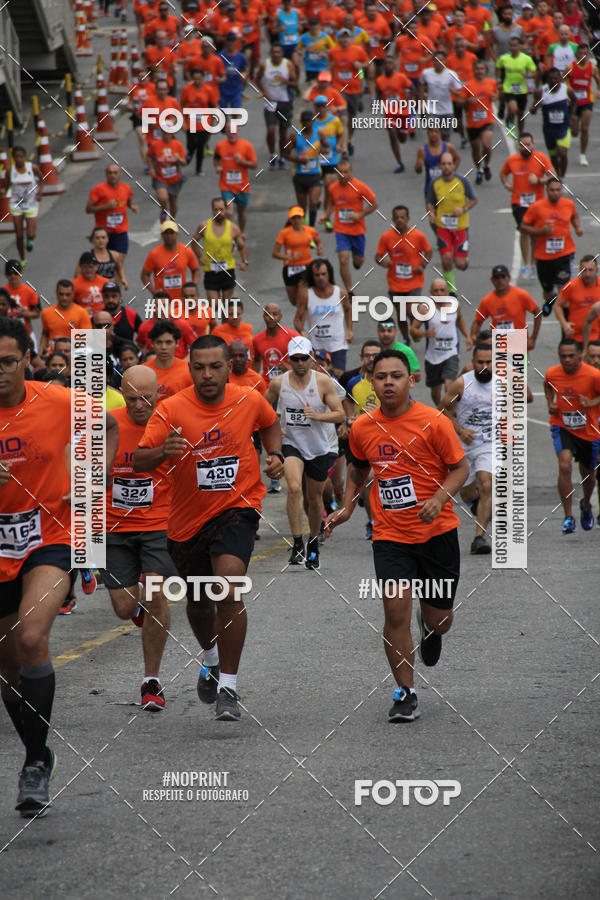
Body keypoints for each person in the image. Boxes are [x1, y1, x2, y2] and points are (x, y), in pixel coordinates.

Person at [0, 318, 118, 816]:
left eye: (8, 361)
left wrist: (95, 478)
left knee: (31, 637)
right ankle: (39, 750)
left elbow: (107, 425)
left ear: (27, 359)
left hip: (49, 537)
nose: (0, 371)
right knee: (9, 670)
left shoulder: (56, 401)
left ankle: (32, 764)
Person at [134, 334, 284, 722]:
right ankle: (211, 659)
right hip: (186, 522)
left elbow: (270, 424)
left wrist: (275, 454)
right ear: (190, 369)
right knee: (200, 602)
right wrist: (162, 451)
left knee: (228, 586)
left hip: (238, 507)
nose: (207, 375)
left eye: (215, 366)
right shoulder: (171, 408)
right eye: (199, 367)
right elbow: (138, 459)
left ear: (228, 367)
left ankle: (228, 687)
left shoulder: (248, 398)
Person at [324, 348, 468, 722]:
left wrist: (438, 498)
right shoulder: (363, 427)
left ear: (411, 380)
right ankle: (405, 692)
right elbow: (358, 470)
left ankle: (431, 628)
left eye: (396, 376)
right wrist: (347, 508)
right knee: (394, 609)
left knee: (441, 620)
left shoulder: (434, 422)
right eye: (381, 376)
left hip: (437, 533)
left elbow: (460, 468)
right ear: (371, 382)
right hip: (390, 535)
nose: (388, 382)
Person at [101, 365, 175, 709]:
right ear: (122, 394)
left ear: (159, 394)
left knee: (156, 594)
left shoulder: (170, 425)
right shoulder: (107, 424)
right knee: (125, 608)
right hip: (113, 528)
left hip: (159, 525)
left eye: (146, 398)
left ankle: (151, 682)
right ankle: (143, 610)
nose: (139, 405)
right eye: (131, 398)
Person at [265, 336, 345, 570]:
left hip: (318, 447)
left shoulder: (323, 382)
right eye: (295, 359)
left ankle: (313, 543)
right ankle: (298, 543)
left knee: (314, 498)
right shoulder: (279, 383)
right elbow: (262, 408)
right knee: (294, 488)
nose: (299, 363)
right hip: (291, 444)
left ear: (311, 358)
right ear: (289, 360)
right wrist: (274, 426)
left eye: (303, 358)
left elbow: (340, 414)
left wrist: (318, 416)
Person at [440, 340, 494, 554]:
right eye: (480, 362)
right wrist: (461, 430)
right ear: (473, 362)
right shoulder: (462, 384)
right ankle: (479, 505)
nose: (484, 366)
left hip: (489, 444)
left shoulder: (502, 382)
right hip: (464, 445)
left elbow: (524, 398)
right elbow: (443, 411)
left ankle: (479, 538)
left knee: (486, 485)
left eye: (489, 362)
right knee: (467, 494)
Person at [544, 339, 600, 533]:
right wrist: (550, 403)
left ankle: (585, 504)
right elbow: (548, 386)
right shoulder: (552, 373)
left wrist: (592, 402)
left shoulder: (593, 375)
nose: (567, 360)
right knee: (565, 465)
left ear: (580, 355)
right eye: (563, 356)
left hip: (588, 431)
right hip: (562, 426)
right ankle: (568, 517)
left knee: (589, 474)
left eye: (570, 356)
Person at [520, 178, 582, 316]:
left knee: (564, 290)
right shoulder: (536, 207)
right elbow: (523, 227)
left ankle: (565, 324)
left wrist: (577, 227)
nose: (555, 193)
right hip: (543, 257)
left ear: (562, 190)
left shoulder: (568, 204)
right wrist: (541, 231)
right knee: (548, 290)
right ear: (546, 191)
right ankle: (551, 299)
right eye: (552, 190)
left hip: (564, 254)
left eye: (558, 190)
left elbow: (574, 216)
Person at [500, 133, 556, 279]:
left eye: (528, 144)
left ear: (533, 145)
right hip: (519, 202)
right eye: (522, 145)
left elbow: (553, 176)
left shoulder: (541, 158)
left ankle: (533, 262)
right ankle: (526, 264)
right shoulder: (512, 160)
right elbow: (503, 173)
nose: (525, 148)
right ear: (519, 146)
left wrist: (538, 181)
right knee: (523, 230)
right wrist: (507, 184)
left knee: (535, 233)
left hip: (537, 203)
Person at [374, 204, 432, 342]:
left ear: (408, 218)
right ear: (393, 220)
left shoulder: (418, 236)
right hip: (395, 283)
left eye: (402, 217)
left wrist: (423, 265)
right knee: (401, 314)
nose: (400, 220)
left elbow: (429, 251)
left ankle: (415, 329)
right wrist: (383, 262)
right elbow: (378, 256)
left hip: (414, 281)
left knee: (410, 310)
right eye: (397, 217)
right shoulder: (387, 237)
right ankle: (406, 338)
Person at [319, 160, 378, 296]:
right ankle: (349, 290)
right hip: (341, 230)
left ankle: (357, 260)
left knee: (358, 262)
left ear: (351, 172)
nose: (343, 175)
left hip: (357, 230)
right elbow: (332, 204)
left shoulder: (360, 187)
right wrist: (326, 216)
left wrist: (360, 214)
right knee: (343, 258)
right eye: (340, 172)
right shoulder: (333, 188)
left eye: (346, 172)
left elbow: (374, 204)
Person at [411, 277, 472, 405]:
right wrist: (425, 334)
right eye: (436, 291)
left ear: (447, 292)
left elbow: (459, 320)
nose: (439, 293)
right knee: (435, 392)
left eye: (442, 290)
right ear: (431, 292)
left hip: (451, 352)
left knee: (449, 385)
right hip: (433, 356)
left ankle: (448, 409)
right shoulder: (425, 308)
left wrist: (467, 336)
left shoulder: (455, 305)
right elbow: (413, 329)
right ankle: (442, 409)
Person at [426, 152, 477, 294]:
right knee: (446, 259)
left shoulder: (462, 181)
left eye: (449, 164)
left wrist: (463, 209)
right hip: (443, 227)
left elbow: (474, 199)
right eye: (443, 164)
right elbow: (429, 202)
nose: (446, 167)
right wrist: (431, 213)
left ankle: (464, 259)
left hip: (460, 227)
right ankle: (452, 291)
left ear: (454, 165)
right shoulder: (435, 183)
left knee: (459, 264)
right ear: (439, 166)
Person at [294, 258, 353, 376]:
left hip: (337, 345)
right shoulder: (306, 295)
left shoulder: (340, 293)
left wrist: (349, 329)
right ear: (312, 277)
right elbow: (297, 319)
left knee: (339, 377)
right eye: (317, 275)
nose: (321, 278)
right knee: (318, 379)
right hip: (316, 346)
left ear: (329, 274)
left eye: (323, 274)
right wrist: (301, 330)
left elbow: (348, 310)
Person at [192, 196, 248, 304]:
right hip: (210, 271)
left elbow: (242, 246)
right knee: (214, 305)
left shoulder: (233, 228)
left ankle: (224, 315)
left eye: (221, 209)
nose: (219, 212)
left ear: (226, 210)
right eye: (216, 209)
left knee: (225, 306)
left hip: (228, 271)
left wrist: (244, 261)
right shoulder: (204, 226)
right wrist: (199, 257)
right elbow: (194, 241)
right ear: (212, 210)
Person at [472, 265, 541, 350]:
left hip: (519, 345)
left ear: (508, 278)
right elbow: (478, 321)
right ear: (492, 280)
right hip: (498, 347)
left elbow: (537, 313)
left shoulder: (521, 295)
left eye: (503, 277)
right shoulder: (487, 300)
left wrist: (533, 338)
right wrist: (474, 337)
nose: (500, 281)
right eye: (497, 278)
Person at [285, 111, 331, 228]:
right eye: (304, 121)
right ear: (301, 122)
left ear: (313, 122)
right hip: (299, 175)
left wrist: (321, 151)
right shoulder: (295, 136)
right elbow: (285, 154)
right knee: (302, 207)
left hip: (315, 174)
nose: (307, 123)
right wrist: (298, 160)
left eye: (309, 121)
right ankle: (304, 227)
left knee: (313, 202)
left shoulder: (319, 134)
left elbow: (327, 147)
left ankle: (311, 228)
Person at [256, 43, 297, 169]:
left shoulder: (288, 64)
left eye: (278, 52)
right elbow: (257, 79)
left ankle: (282, 157)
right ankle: (272, 155)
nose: (276, 54)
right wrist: (264, 91)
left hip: (284, 101)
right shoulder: (265, 65)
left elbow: (295, 83)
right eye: (274, 52)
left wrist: (287, 82)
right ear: (270, 53)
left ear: (282, 53)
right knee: (271, 130)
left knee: (283, 132)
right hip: (270, 102)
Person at [213, 121, 258, 235]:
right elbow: (216, 159)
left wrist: (242, 161)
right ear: (226, 132)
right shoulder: (220, 146)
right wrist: (218, 167)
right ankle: (232, 235)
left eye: (234, 132)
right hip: (226, 185)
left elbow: (254, 165)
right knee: (229, 212)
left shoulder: (246, 146)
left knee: (242, 212)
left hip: (242, 186)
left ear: (238, 131)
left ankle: (241, 232)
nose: (232, 134)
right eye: (229, 131)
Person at [272, 207, 323, 306]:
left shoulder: (310, 230)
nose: (296, 221)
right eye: (294, 218)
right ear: (290, 220)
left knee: (303, 297)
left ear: (303, 218)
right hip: (290, 269)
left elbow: (318, 242)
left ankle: (305, 313)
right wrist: (290, 258)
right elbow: (275, 253)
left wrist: (319, 249)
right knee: (294, 301)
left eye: (299, 217)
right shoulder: (284, 233)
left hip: (306, 267)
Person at [1, 146, 42, 266]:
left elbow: (41, 179)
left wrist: (39, 193)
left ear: (25, 157)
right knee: (19, 235)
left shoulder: (32, 168)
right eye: (16, 157)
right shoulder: (10, 171)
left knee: (30, 234)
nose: (19, 159)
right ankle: (23, 259)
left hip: (31, 204)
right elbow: (6, 186)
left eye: (21, 156)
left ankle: (30, 240)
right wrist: (3, 192)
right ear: (13, 158)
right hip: (17, 204)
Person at [86, 164, 139, 256]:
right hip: (104, 233)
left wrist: (132, 206)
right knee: (104, 260)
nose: (113, 175)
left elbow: (128, 201)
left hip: (121, 231)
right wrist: (105, 206)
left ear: (120, 174)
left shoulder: (126, 188)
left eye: (115, 173)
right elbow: (88, 209)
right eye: (110, 173)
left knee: (119, 260)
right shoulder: (98, 189)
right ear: (106, 174)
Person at [533, 67, 576, 178]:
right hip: (549, 129)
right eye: (550, 79)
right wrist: (534, 108)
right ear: (547, 79)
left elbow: (574, 100)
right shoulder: (541, 91)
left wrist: (571, 114)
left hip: (563, 127)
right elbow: (534, 108)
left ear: (560, 78)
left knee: (562, 152)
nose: (553, 81)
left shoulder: (567, 90)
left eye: (555, 79)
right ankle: (557, 177)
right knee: (553, 157)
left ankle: (562, 177)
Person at [141, 220, 200, 301]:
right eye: (166, 233)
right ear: (162, 235)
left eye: (172, 233)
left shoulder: (186, 251)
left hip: (182, 300)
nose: (169, 236)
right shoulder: (154, 254)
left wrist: (192, 287)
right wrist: (153, 291)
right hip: (163, 300)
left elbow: (196, 270)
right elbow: (144, 275)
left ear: (177, 234)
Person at [460, 59, 498, 184]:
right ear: (474, 70)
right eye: (477, 69)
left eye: (482, 69)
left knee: (486, 145)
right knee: (476, 149)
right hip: (472, 122)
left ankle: (487, 165)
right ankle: (479, 169)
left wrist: (495, 97)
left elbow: (496, 95)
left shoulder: (491, 83)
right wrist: (467, 101)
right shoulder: (468, 85)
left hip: (487, 119)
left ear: (485, 70)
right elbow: (459, 102)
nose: (479, 71)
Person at [375, 55, 413, 173]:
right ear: (383, 66)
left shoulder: (401, 77)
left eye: (390, 63)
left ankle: (402, 132)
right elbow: (379, 94)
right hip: (390, 112)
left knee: (402, 139)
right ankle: (399, 162)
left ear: (394, 65)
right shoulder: (379, 80)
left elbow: (412, 88)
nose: (388, 66)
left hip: (403, 112)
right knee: (391, 132)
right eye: (386, 64)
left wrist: (410, 100)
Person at [39, 280, 92, 359]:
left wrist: (63, 340)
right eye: (61, 294)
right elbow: (45, 334)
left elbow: (88, 339)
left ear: (73, 294)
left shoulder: (82, 313)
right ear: (56, 293)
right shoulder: (46, 313)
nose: (64, 298)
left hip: (74, 356)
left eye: (68, 295)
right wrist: (41, 349)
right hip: (53, 356)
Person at [496, 36, 536, 138]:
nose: (513, 48)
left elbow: (534, 72)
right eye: (511, 46)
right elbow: (498, 68)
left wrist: (528, 75)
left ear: (520, 46)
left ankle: (521, 135)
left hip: (522, 90)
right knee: (513, 109)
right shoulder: (504, 58)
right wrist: (499, 82)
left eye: (515, 46)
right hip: (508, 88)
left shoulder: (526, 59)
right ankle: (510, 124)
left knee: (520, 114)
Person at [567, 43, 600, 167]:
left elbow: (598, 79)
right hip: (573, 102)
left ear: (588, 54)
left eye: (585, 54)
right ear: (577, 55)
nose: (582, 56)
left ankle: (582, 155)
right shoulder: (570, 67)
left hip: (587, 100)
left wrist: (598, 90)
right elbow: (562, 81)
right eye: (580, 54)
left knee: (585, 129)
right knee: (575, 132)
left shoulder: (592, 67)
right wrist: (566, 94)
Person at [142, 320, 194, 399]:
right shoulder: (143, 371)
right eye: (159, 342)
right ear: (152, 343)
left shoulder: (188, 370)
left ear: (177, 343)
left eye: (168, 342)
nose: (164, 347)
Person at [146, 127, 187, 223]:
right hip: (160, 177)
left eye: (168, 132)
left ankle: (172, 222)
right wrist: (151, 168)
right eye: (164, 132)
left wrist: (179, 159)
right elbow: (148, 156)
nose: (166, 134)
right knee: (163, 198)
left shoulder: (177, 145)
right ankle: (164, 209)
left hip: (175, 178)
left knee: (173, 202)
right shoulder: (155, 144)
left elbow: (184, 163)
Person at [419, 49, 462, 140]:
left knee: (445, 137)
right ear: (433, 61)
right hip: (431, 109)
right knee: (433, 134)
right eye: (436, 60)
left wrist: (454, 92)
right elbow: (421, 84)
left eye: (441, 60)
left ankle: (445, 149)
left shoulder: (451, 74)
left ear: (445, 61)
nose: (438, 63)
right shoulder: (426, 73)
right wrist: (421, 100)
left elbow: (460, 92)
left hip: (446, 110)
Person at [557, 256, 600, 347]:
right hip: (575, 336)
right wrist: (564, 324)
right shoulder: (571, 286)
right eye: (584, 270)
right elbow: (557, 305)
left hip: (596, 336)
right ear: (580, 270)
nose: (587, 274)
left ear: (597, 270)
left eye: (590, 270)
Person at [252, 303, 299, 384]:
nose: (271, 317)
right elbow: (256, 360)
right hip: (267, 385)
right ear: (263, 316)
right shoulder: (257, 340)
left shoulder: (293, 336)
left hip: (288, 383)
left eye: (275, 314)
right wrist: (254, 380)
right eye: (268, 314)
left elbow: (307, 357)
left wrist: (292, 369)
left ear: (280, 316)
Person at [180, 68, 214, 175]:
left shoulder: (208, 90)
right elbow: (181, 105)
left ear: (203, 78)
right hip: (190, 122)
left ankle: (198, 169)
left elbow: (213, 105)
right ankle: (189, 156)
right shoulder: (187, 89)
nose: (197, 81)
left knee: (201, 146)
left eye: (199, 79)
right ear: (192, 78)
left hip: (204, 122)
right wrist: (182, 122)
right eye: (195, 79)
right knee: (191, 145)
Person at [415, 126, 461, 204]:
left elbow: (458, 158)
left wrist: (452, 170)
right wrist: (419, 166)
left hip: (447, 185)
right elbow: (418, 171)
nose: (433, 134)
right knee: (432, 210)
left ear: (440, 134)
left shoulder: (448, 147)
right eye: (431, 132)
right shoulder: (422, 150)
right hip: (431, 187)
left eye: (436, 132)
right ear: (427, 133)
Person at [2, 260, 40, 340]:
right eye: (10, 273)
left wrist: (27, 313)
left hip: (26, 334)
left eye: (16, 273)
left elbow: (37, 313)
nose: (13, 276)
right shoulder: (2, 292)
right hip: (5, 335)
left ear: (21, 273)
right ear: (5, 274)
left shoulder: (30, 292)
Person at [218, 33, 248, 111]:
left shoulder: (241, 56)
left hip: (236, 88)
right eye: (229, 40)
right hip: (222, 89)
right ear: (226, 42)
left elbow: (245, 69)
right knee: (223, 113)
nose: (230, 43)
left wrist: (244, 75)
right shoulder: (220, 56)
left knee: (235, 112)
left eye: (232, 41)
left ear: (236, 42)